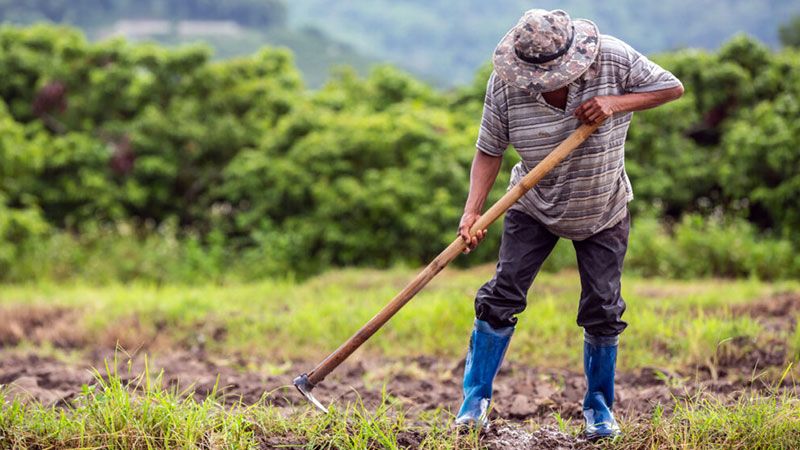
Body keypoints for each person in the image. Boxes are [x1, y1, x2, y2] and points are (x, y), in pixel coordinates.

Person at [455, 9, 684, 439]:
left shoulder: (613, 58)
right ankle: (474, 404)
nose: (543, 83)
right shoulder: (505, 85)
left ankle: (599, 410)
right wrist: (472, 212)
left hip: (603, 205)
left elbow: (671, 87)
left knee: (602, 308)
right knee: (501, 295)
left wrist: (614, 103)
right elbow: (489, 149)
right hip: (532, 202)